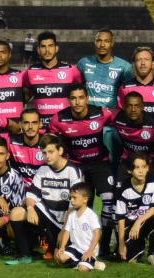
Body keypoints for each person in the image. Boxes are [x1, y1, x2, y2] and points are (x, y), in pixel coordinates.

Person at [49, 85, 117, 258]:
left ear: (87, 98)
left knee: (109, 200)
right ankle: (83, 243)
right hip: (77, 165)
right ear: (68, 100)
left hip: (100, 163)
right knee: (82, 205)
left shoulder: (102, 113)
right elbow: (52, 140)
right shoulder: (59, 119)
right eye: (73, 98)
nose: (77, 102)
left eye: (81, 97)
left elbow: (119, 121)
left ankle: (106, 244)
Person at [113, 92, 154, 257]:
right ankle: (122, 242)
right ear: (124, 106)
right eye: (129, 105)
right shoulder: (116, 118)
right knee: (117, 197)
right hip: (130, 163)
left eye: (137, 105)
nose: (133, 109)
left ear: (143, 107)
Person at [78, 29, 133, 172]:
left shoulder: (124, 67)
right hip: (87, 122)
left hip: (111, 125)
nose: (102, 44)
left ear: (112, 43)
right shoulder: (84, 63)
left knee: (112, 164)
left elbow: (129, 95)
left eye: (106, 41)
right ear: (95, 42)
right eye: (99, 40)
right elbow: (77, 88)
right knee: (86, 164)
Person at [24, 134, 84, 260]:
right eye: (44, 153)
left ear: (60, 151)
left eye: (51, 152)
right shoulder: (43, 169)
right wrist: (30, 208)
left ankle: (51, 244)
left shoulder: (72, 171)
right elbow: (31, 194)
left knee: (61, 258)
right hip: (48, 216)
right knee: (18, 213)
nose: (47, 156)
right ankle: (26, 253)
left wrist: (64, 229)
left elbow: (74, 204)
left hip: (67, 220)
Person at [115, 152, 154, 267]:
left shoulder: (153, 184)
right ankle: (139, 247)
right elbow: (121, 219)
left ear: (148, 168)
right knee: (131, 261)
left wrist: (138, 221)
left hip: (143, 222)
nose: (141, 171)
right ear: (129, 170)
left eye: (144, 167)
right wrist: (121, 245)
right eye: (137, 167)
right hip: (130, 227)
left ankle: (151, 254)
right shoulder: (123, 189)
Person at [25, 31, 84, 128]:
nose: (47, 50)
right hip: (41, 129)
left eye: (50, 46)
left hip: (66, 127)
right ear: (38, 50)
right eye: (43, 46)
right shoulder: (30, 71)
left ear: (56, 48)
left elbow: (83, 93)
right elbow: (23, 98)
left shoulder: (71, 70)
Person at [55, 182, 105, 272]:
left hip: (89, 250)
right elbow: (66, 232)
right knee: (60, 258)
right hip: (76, 248)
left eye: (74, 198)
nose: (71, 200)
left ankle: (93, 263)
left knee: (83, 269)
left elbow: (97, 233)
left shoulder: (91, 215)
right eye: (71, 198)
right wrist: (62, 247)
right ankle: (80, 262)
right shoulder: (71, 215)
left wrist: (90, 251)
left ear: (85, 199)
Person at [118, 47, 154, 123]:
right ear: (134, 65)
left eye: (146, 59)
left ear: (153, 64)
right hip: (133, 134)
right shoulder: (124, 88)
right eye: (139, 60)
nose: (143, 63)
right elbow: (121, 114)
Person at [8, 109, 44, 185]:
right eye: (26, 123)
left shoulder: (48, 144)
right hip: (18, 190)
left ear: (40, 124)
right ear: (20, 124)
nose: (30, 127)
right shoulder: (11, 142)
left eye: (34, 123)